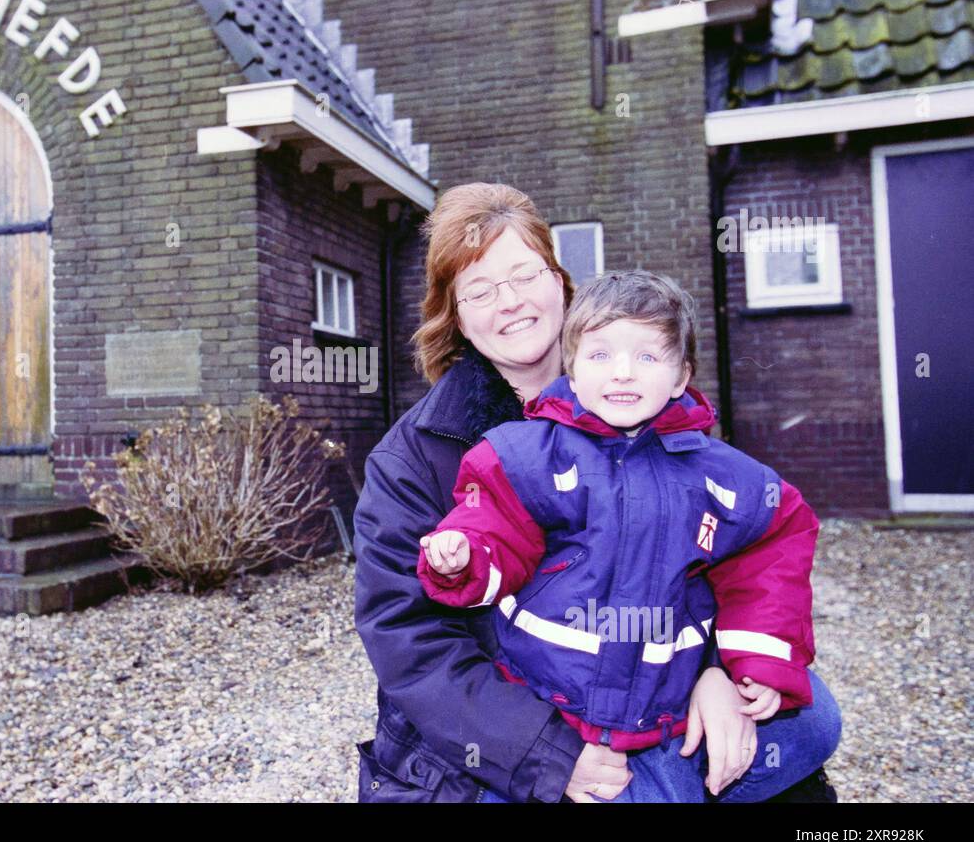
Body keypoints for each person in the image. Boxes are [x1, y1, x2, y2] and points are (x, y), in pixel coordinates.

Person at [352, 182, 840, 803]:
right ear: (455, 313)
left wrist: (714, 668)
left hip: (650, 685)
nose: (509, 303)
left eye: (524, 275)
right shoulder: (415, 454)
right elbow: (407, 638)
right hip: (508, 724)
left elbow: (722, 550)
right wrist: (549, 754)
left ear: (560, 280)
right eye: (478, 290)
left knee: (811, 718)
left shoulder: (638, 394)